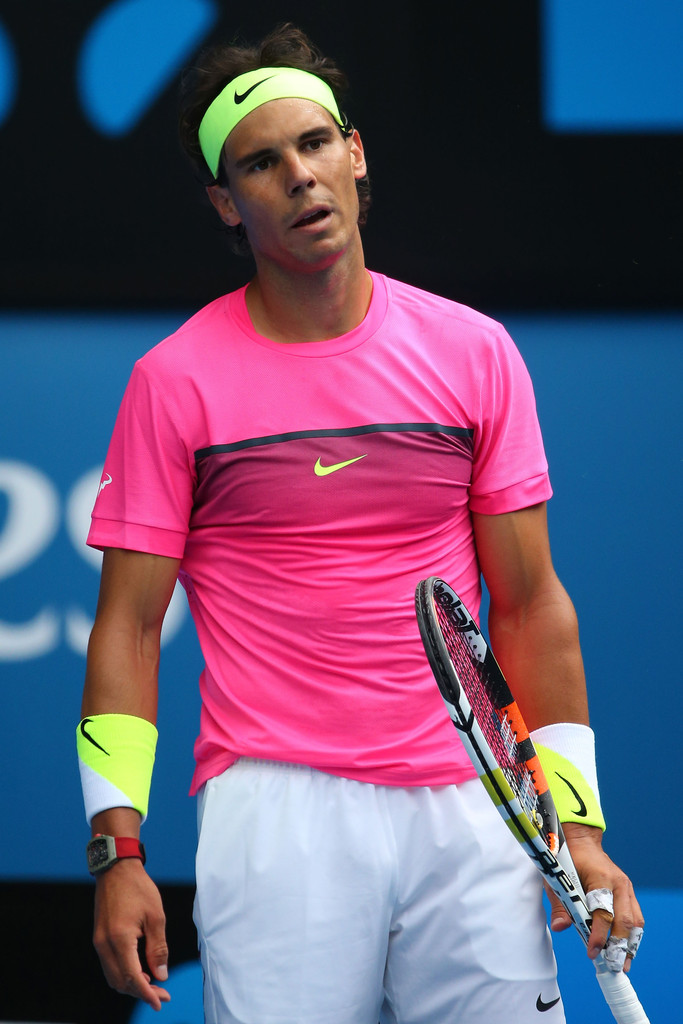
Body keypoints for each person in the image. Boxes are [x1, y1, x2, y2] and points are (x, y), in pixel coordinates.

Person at [77, 23, 644, 1024]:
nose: (297, 176)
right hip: (275, 806)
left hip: (474, 803)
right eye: (259, 162)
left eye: (314, 143)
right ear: (224, 201)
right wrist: (119, 850)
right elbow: (126, 627)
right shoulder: (174, 382)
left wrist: (581, 826)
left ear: (356, 152)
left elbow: (526, 604)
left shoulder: (473, 354)